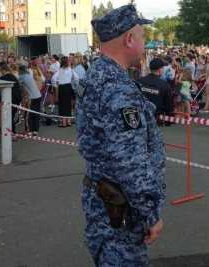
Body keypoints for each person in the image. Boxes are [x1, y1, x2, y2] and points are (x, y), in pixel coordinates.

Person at [76, 5, 166, 266]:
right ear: (129, 39)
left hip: (102, 199)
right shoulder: (118, 88)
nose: (145, 43)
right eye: (142, 36)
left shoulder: (96, 74)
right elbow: (130, 162)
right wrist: (151, 214)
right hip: (119, 207)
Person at [51, 56, 79, 127]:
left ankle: (63, 122)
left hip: (61, 88)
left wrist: (55, 85)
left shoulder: (59, 70)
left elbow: (53, 79)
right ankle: (68, 121)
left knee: (62, 105)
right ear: (67, 62)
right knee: (68, 105)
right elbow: (76, 78)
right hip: (68, 87)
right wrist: (75, 85)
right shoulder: (70, 69)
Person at [0, 62, 22, 135]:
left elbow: (0, 90)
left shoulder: (2, 78)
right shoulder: (13, 76)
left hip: (9, 100)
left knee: (8, 117)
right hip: (16, 99)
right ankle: (12, 132)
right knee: (11, 116)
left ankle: (11, 133)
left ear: (1, 69)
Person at [18, 65, 42, 135]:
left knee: (29, 114)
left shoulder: (22, 77)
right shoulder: (29, 75)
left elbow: (16, 84)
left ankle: (29, 130)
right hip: (38, 96)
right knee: (36, 114)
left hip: (32, 98)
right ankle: (35, 130)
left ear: (20, 70)